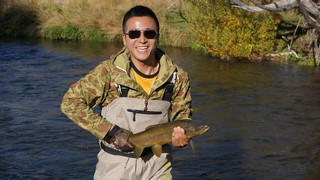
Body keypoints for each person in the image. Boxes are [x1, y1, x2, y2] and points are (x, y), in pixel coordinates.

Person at [61, 5, 192, 179]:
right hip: (115, 167)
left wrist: (182, 138)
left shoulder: (177, 77)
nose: (142, 39)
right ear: (124, 39)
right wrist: (111, 132)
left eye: (149, 33)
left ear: (158, 37)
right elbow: (70, 103)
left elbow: (183, 121)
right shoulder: (107, 73)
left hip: (159, 166)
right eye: (134, 34)